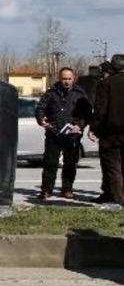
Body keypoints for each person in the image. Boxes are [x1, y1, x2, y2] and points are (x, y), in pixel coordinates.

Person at [35, 67, 91, 200]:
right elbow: (40, 109)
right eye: (64, 79)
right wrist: (41, 119)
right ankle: (46, 190)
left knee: (70, 164)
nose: (66, 81)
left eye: (69, 79)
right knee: (50, 163)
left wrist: (80, 125)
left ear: (74, 78)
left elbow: (87, 114)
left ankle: (67, 189)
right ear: (60, 79)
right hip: (53, 133)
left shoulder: (80, 94)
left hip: (72, 135)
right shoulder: (51, 93)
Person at [90, 54, 124, 205]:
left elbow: (100, 110)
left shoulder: (106, 83)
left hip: (111, 132)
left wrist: (94, 128)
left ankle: (117, 199)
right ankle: (110, 195)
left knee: (112, 166)